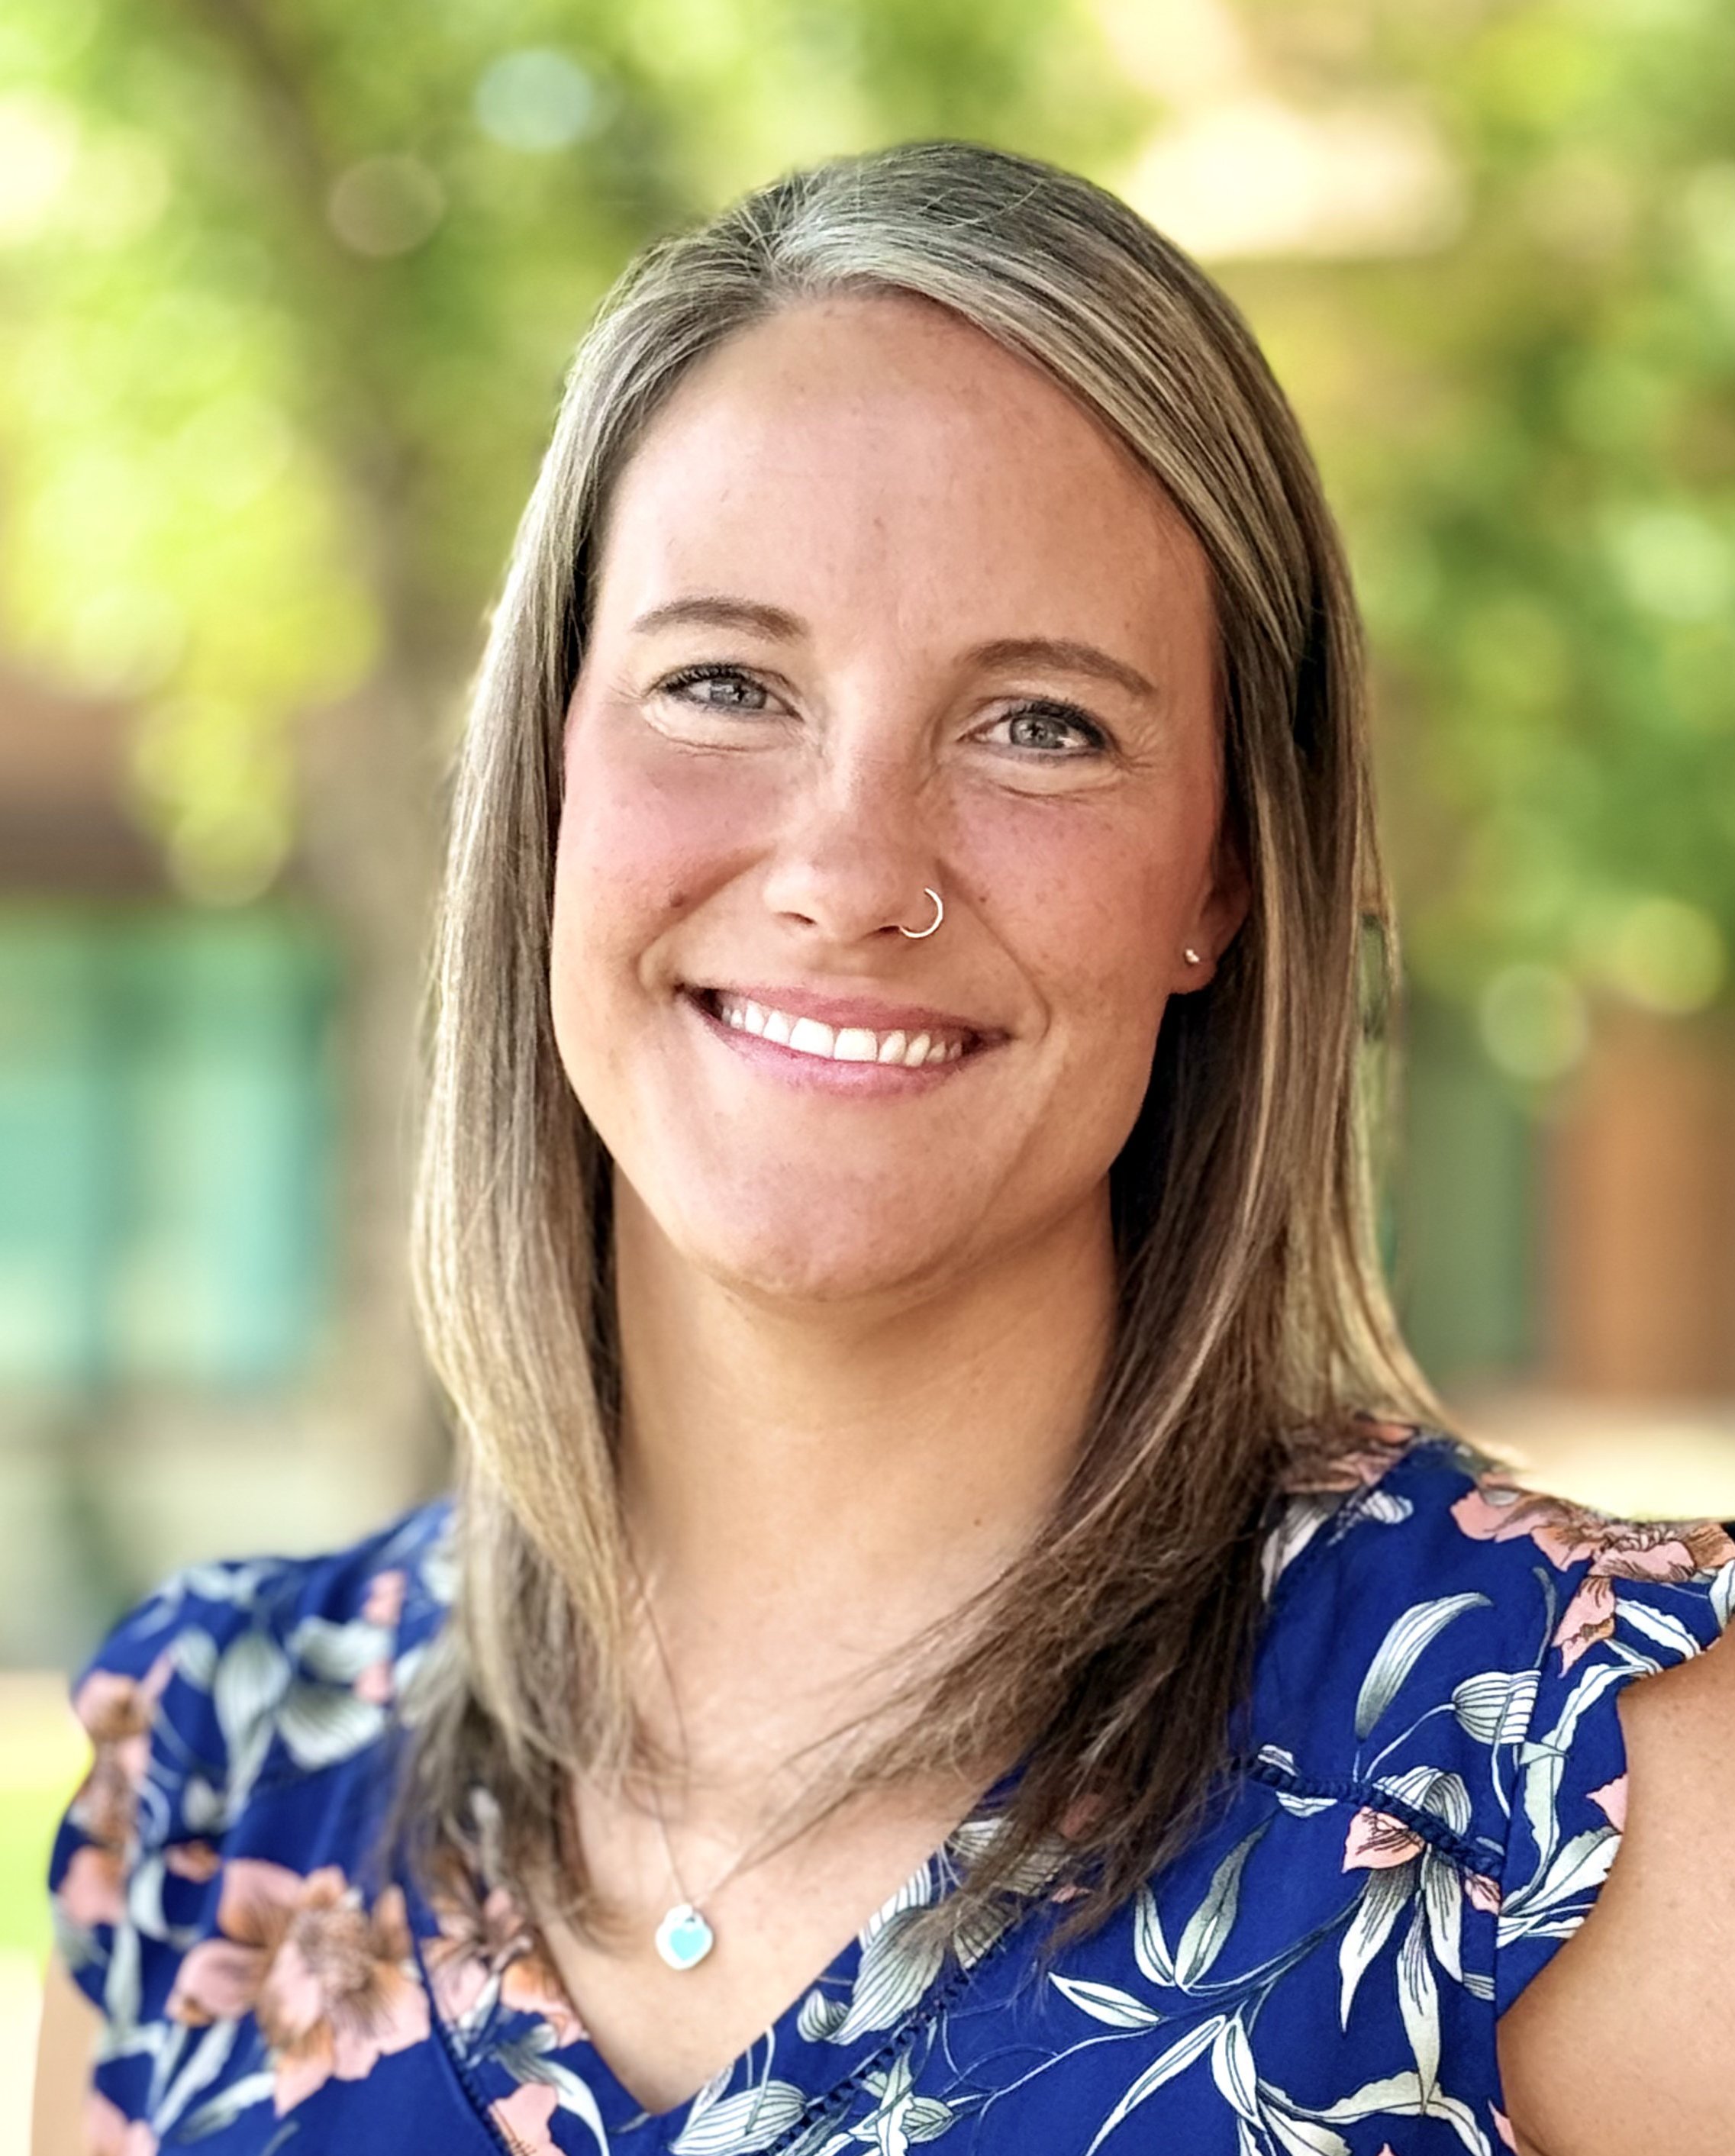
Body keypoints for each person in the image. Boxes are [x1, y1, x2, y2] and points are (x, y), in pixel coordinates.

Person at [32, 140, 1735, 2156]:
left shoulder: (1583, 1777)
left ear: (1219, 877)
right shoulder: (213, 1796)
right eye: (723, 682)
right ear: (549, 776)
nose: (847, 872)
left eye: (1040, 723)